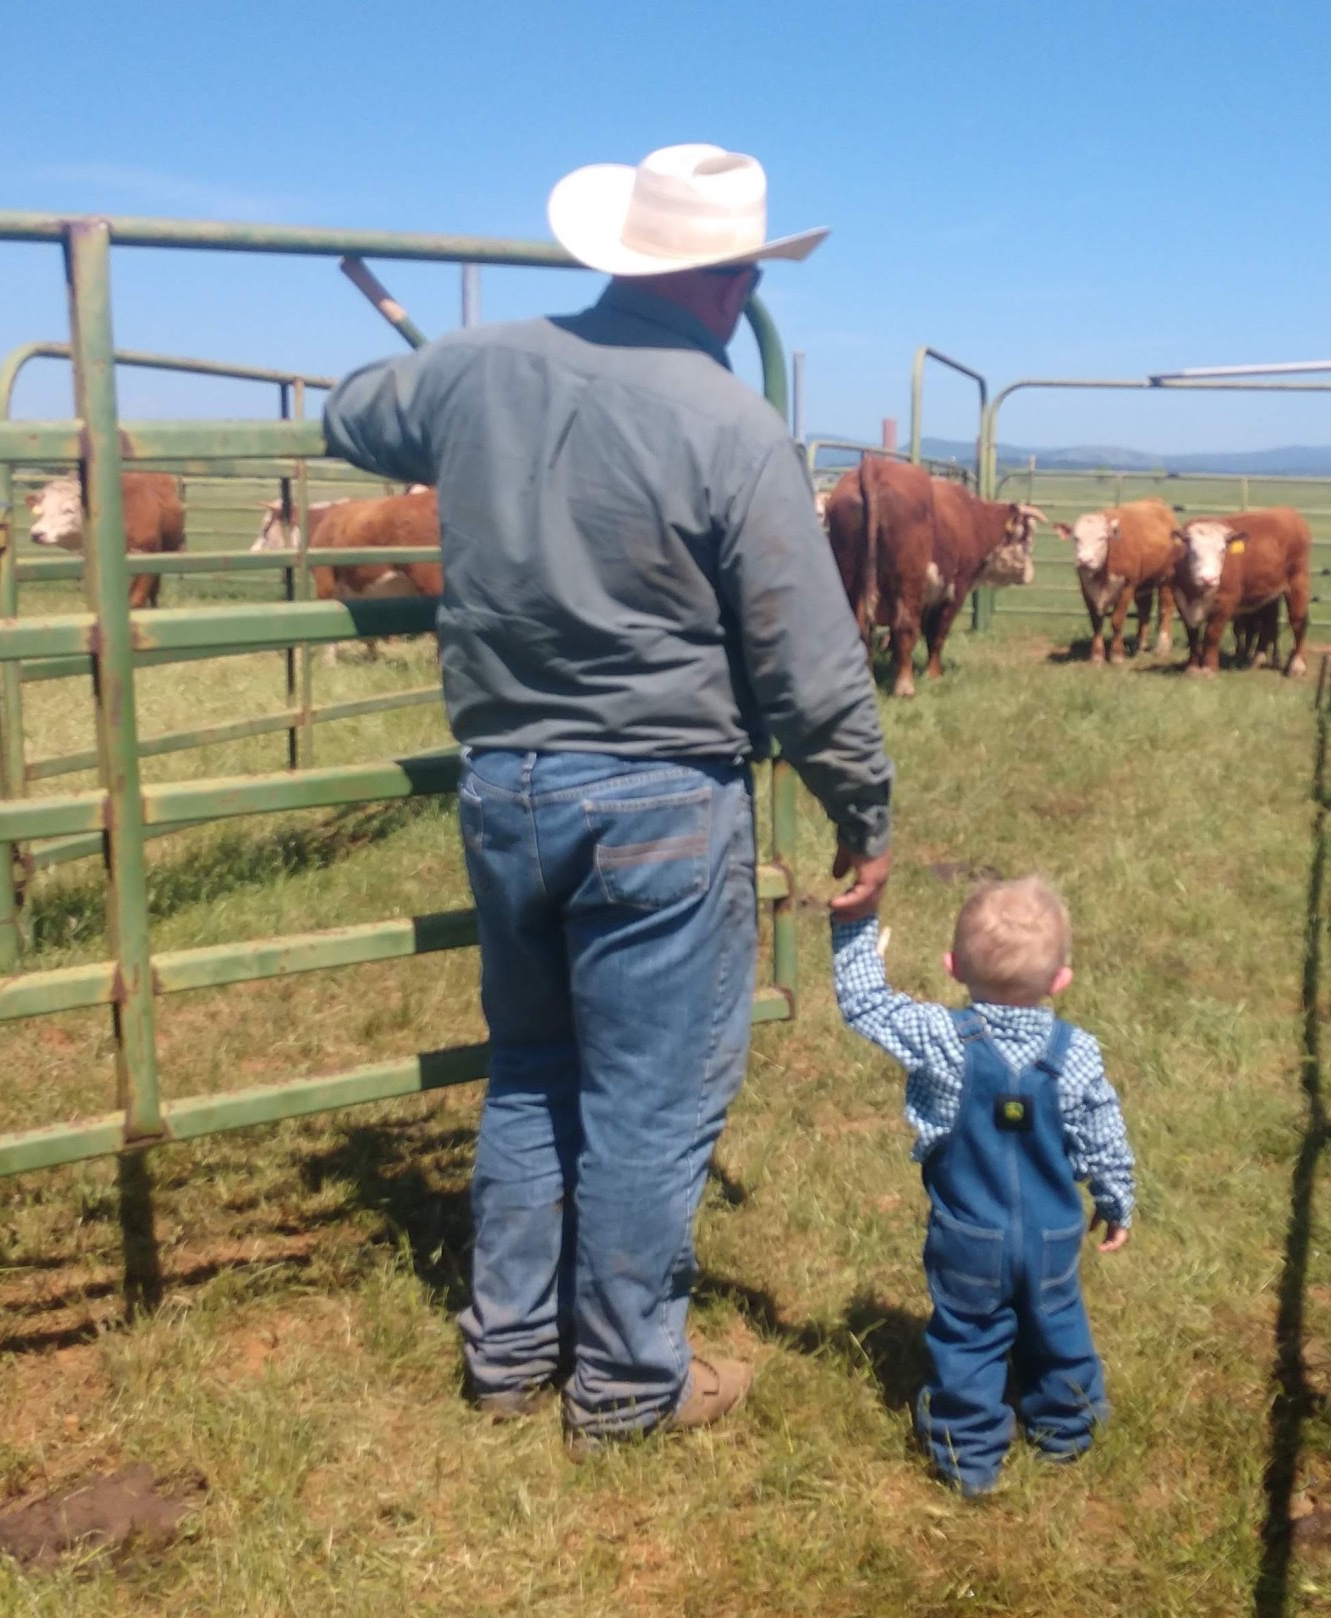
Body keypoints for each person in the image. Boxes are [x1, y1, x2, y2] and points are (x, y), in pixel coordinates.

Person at [322, 144, 894, 1448]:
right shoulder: (733, 427)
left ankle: (510, 1351)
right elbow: (810, 669)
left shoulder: (483, 365)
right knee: (649, 1098)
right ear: (731, 280)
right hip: (658, 795)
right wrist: (864, 811)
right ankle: (631, 1383)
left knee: (531, 1069)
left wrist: (451, 390)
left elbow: (350, 413)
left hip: (502, 784)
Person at [829, 878, 1137, 1494]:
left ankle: (968, 1452)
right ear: (1060, 981)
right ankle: (1067, 1431)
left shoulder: (942, 1039)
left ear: (953, 968)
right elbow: (1105, 1131)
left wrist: (855, 926)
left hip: (968, 1235)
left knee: (968, 1336)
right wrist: (1115, 1197)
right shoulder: (1075, 1054)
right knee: (1058, 1323)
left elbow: (864, 1003)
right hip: (1052, 1235)